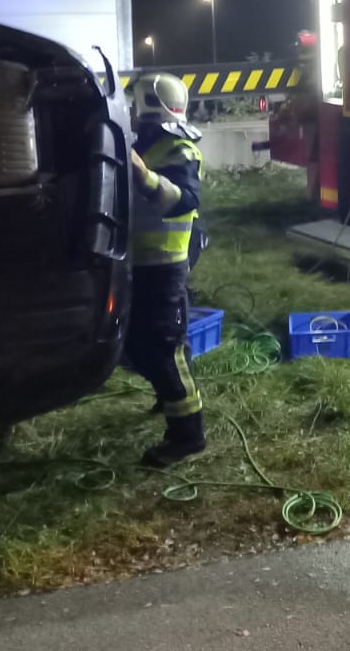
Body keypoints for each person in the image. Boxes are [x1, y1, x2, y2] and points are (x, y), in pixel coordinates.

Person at [127, 72, 207, 466]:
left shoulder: (180, 150)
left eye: (135, 105)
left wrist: (143, 177)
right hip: (140, 263)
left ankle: (188, 435)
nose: (130, 112)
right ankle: (169, 394)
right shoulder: (142, 145)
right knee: (144, 345)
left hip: (164, 266)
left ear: (149, 107)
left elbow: (185, 199)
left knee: (164, 349)